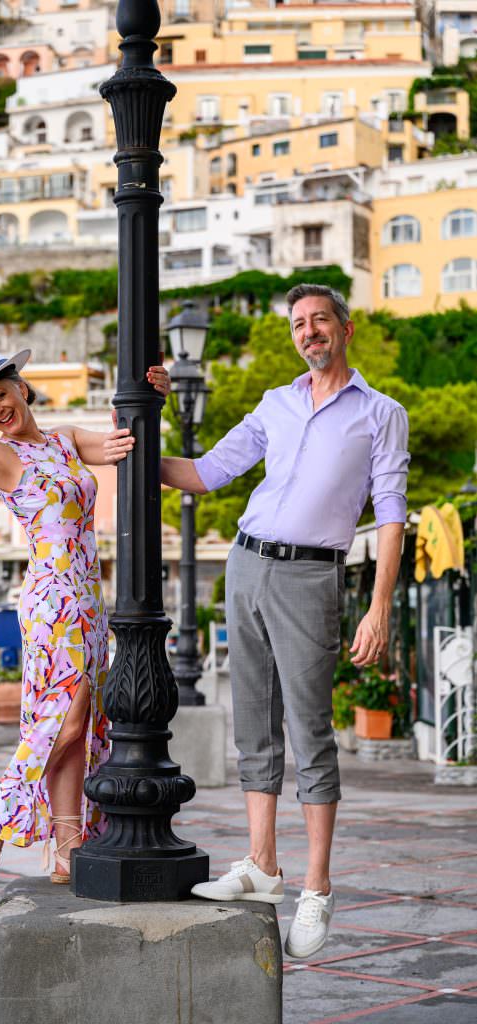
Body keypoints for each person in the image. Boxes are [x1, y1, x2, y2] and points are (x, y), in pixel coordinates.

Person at [153, 284, 408, 958]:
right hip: (244, 562)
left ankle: (317, 888)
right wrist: (136, 441)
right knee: (253, 725)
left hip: (308, 574)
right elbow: (207, 473)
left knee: (309, 730)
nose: (308, 331)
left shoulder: (381, 414)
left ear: (344, 329)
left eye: (318, 319)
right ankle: (261, 866)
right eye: (298, 323)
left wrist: (378, 604)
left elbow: (389, 514)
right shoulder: (276, 402)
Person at [0, 348, 170, 908]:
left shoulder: (67, 440)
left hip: (90, 601)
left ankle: (67, 840)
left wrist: (156, 400)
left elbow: (131, 446)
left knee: (79, 724)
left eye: (1, 395)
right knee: (64, 718)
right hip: (52, 601)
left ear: (22, 389)